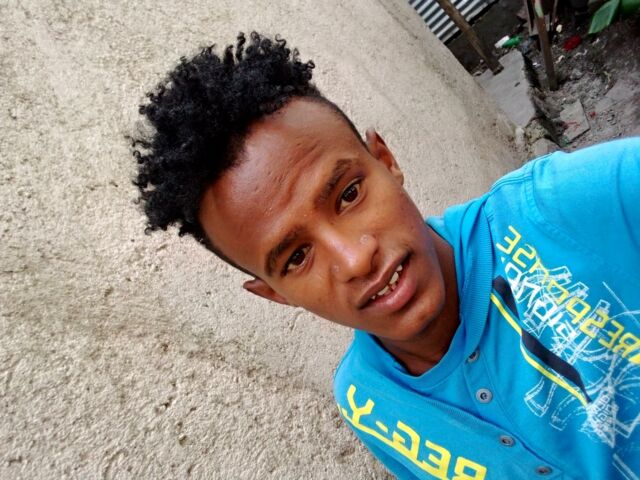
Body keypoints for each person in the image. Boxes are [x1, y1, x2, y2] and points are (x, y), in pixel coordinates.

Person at [132, 32, 640, 479]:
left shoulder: (563, 206)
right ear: (276, 295)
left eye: (349, 195)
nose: (355, 260)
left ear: (386, 161)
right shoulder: (367, 401)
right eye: (296, 258)